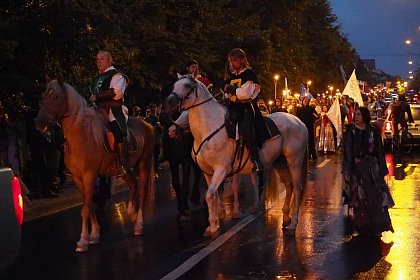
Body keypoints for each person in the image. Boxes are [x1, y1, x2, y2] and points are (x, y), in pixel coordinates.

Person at [342, 107, 394, 236]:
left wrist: (382, 169)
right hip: (357, 168)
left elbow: (379, 151)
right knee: (359, 198)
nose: (356, 117)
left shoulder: (373, 131)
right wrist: (347, 170)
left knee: (374, 196)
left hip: (371, 168)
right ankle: (361, 226)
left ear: (364, 116)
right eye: (355, 115)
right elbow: (347, 152)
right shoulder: (351, 132)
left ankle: (376, 225)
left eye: (359, 114)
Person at [223, 48, 269, 172]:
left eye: (235, 60)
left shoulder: (249, 75)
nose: (233, 63)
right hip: (232, 107)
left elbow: (245, 94)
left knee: (244, 129)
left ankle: (256, 159)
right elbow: (226, 94)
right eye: (231, 61)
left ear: (242, 60)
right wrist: (227, 92)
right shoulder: (231, 76)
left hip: (246, 107)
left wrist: (231, 90)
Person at [89, 50, 129, 175]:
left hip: (113, 109)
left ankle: (120, 162)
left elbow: (115, 92)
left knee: (116, 128)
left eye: (102, 58)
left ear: (109, 60)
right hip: (98, 110)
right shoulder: (96, 78)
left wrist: (97, 97)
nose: (99, 61)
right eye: (97, 59)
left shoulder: (117, 75)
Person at [297, 97, 319, 161]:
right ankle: (304, 156)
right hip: (301, 127)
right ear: (302, 101)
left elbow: (317, 116)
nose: (306, 102)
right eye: (305, 100)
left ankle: (312, 156)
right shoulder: (299, 109)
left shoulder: (311, 109)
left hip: (309, 126)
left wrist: (315, 115)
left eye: (307, 101)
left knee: (310, 142)